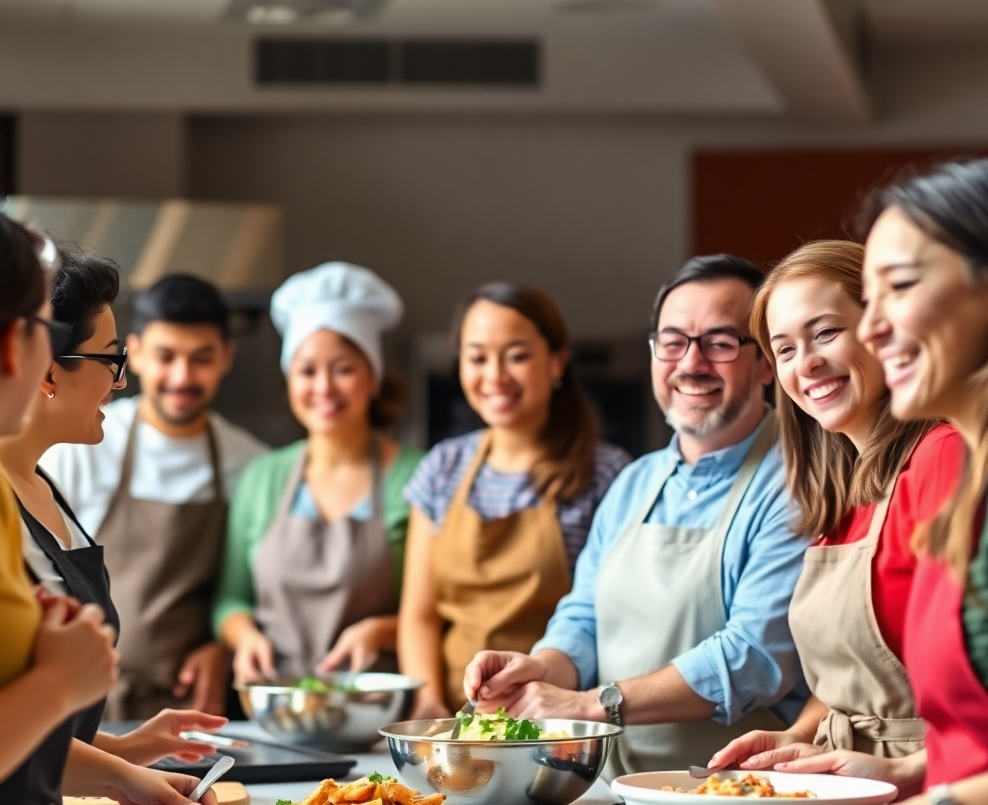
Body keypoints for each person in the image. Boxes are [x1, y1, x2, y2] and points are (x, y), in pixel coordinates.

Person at [770, 159, 988, 805]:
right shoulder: (987, 463)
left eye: (899, 288)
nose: (874, 329)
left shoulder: (986, 467)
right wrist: (914, 777)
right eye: (867, 303)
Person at [464, 256, 809, 777]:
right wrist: (543, 667)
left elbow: (754, 657)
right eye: (672, 342)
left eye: (719, 342)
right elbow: (584, 617)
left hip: (734, 791)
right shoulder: (634, 483)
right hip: (613, 788)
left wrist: (587, 705)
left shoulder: (797, 483)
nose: (690, 363)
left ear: (765, 363)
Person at [708, 241, 962, 776]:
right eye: (785, 349)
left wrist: (903, 771)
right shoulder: (838, 497)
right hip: (851, 801)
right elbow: (856, 683)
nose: (808, 363)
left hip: (939, 800)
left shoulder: (943, 458)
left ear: (885, 330)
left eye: (825, 333)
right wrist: (800, 734)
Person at [0, 215, 216, 805]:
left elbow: (31, 738)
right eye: (111, 359)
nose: (121, 380)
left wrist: (125, 755)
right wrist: (119, 769)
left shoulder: (45, 490)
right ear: (44, 367)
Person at [398, 282, 630, 718]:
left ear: (558, 361)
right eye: (477, 357)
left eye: (517, 356)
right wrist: (427, 700)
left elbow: (610, 618)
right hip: (453, 718)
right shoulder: (442, 467)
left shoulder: (606, 474)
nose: (496, 376)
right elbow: (420, 615)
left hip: (556, 724)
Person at [42, 274, 266, 718]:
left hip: (195, 710)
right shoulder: (83, 443)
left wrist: (221, 645)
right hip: (89, 702)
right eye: (166, 356)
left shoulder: (251, 464)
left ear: (226, 357)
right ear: (136, 354)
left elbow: (249, 589)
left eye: (201, 358)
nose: (182, 377)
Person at [216, 262, 422, 684]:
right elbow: (230, 600)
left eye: (343, 368)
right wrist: (245, 637)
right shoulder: (262, 477)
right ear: (290, 380)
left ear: (374, 376)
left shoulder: (417, 476)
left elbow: (447, 612)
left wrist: (381, 631)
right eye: (307, 370)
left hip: (379, 712)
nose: (324, 388)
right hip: (276, 708)